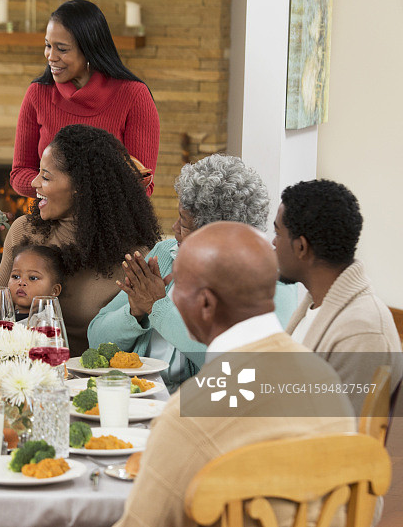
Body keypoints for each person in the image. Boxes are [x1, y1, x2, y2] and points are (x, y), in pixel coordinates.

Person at [113, 222, 355, 527]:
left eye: (176, 289)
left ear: (204, 304)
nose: (169, 299)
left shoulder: (190, 415)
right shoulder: (325, 379)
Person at [0, 124, 162, 356]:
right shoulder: (24, 231)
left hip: (95, 378)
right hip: (30, 373)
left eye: (45, 177)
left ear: (80, 187)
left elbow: (141, 338)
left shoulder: (133, 256)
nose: (34, 183)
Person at [88, 155, 298, 392]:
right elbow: (96, 337)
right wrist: (134, 312)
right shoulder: (165, 254)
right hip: (135, 396)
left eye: (185, 223)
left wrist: (157, 307)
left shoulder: (274, 282)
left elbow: (240, 368)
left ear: (216, 236)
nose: (174, 228)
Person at [274, 179, 403, 413]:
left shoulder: (363, 333)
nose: (273, 243)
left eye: (277, 233)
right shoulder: (314, 306)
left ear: (301, 247)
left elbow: (342, 443)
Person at [10, 0, 159, 199]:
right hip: (48, 221)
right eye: (48, 45)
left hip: (109, 225)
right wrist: (60, 189)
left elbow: (143, 184)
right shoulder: (37, 93)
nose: (50, 56)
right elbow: (19, 173)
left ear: (89, 50)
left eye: (62, 49)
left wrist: (69, 190)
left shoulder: (134, 96)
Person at [8, 243, 64, 322]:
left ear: (54, 290)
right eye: (16, 277)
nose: (21, 282)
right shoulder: (3, 314)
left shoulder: (46, 324)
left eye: (32, 278)